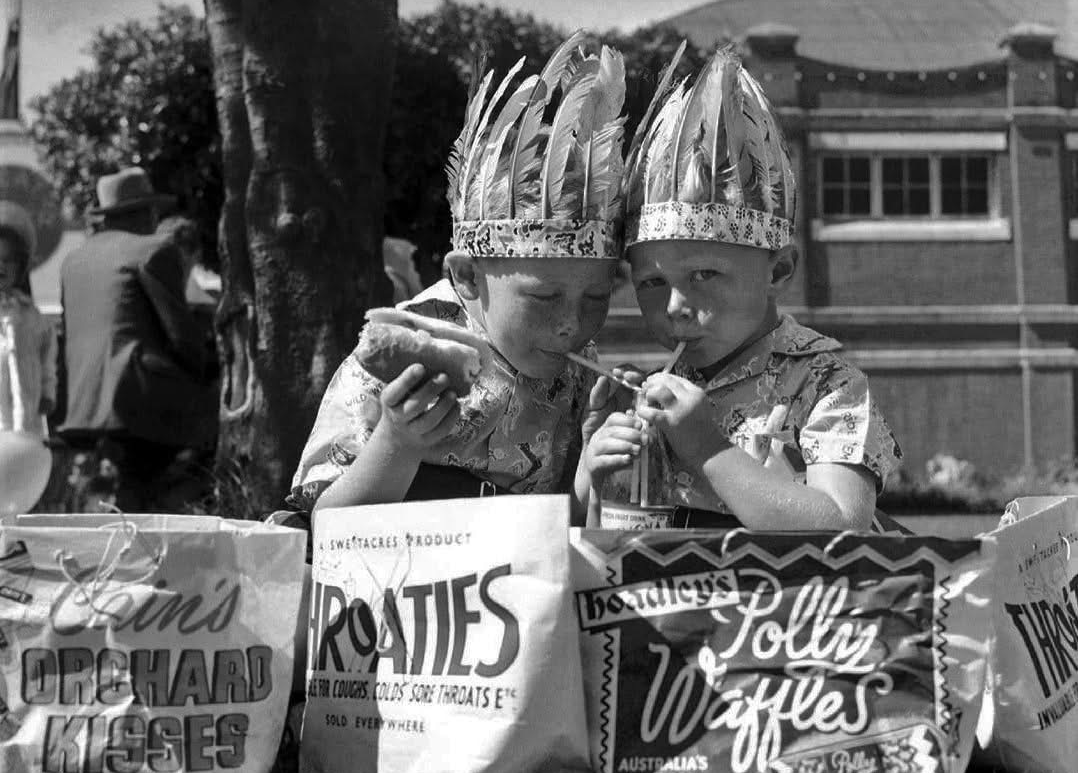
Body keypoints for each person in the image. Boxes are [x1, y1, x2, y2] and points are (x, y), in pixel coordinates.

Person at [289, 33, 628, 515]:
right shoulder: (402, 353)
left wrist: (591, 472)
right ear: (467, 276)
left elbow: (559, 522)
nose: (572, 325)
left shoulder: (580, 375)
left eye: (595, 298)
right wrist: (397, 443)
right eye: (545, 297)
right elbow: (326, 520)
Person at [580, 48, 901, 531]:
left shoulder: (825, 385)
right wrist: (595, 471)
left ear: (779, 270)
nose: (675, 306)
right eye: (652, 282)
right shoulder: (657, 394)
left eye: (703, 275)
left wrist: (708, 450)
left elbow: (843, 524)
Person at [58, 167, 217, 511]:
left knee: (123, 490)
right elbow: (183, 337)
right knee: (208, 441)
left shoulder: (74, 261)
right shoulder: (153, 249)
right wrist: (207, 366)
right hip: (139, 399)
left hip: (83, 404)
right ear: (146, 212)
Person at [0, 201, 57, 438]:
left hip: (29, 426)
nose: (1, 266)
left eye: (9, 260)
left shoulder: (31, 315)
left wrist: (48, 392)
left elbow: (47, 356)